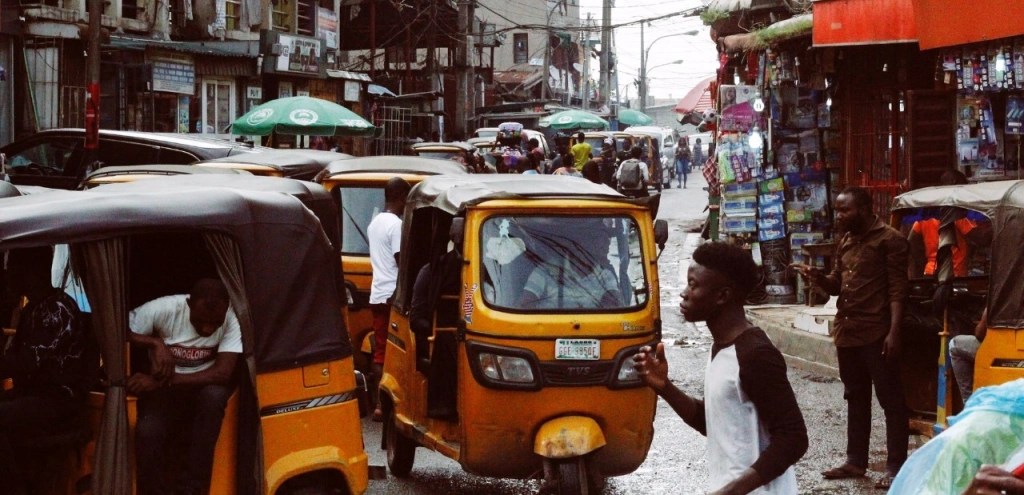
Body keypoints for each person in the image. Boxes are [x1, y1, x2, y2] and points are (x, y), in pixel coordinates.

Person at [634, 242, 808, 494]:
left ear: (722, 296)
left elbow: (793, 438)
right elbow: (716, 425)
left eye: (693, 285)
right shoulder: (722, 347)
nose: (684, 293)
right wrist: (665, 387)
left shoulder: (755, 354)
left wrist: (730, 491)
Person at [793, 186, 910, 490]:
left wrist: (894, 332)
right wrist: (817, 278)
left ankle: (896, 466)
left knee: (891, 401)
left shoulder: (890, 240)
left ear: (865, 208)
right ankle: (855, 460)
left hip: (878, 331)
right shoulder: (846, 241)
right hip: (849, 331)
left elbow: (899, 290)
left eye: (845, 210)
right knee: (855, 396)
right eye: (838, 209)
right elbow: (836, 285)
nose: (840, 215)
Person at [128, 278, 242, 495]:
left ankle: (192, 489)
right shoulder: (164, 308)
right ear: (189, 304)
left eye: (215, 323)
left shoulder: (231, 318)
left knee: (215, 397)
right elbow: (116, 328)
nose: (208, 328)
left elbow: (222, 373)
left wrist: (159, 381)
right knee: (147, 431)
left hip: (197, 387)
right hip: (165, 393)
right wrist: (155, 342)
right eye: (200, 321)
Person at [1, 247, 90, 495]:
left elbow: (26, 363)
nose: (7, 276)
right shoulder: (34, 307)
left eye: (12, 270)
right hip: (33, 395)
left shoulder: (56, 310)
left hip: (57, 400)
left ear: (29, 272)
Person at [367, 177, 411, 420]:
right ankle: (385, 405)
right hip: (392, 295)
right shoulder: (396, 225)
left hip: (377, 293)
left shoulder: (375, 223)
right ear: (402, 197)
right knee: (394, 353)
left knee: (380, 350)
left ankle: (378, 404)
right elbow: (400, 262)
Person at [519, 226, 622, 309]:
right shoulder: (546, 271)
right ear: (579, 243)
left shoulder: (605, 276)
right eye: (599, 239)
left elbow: (614, 306)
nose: (606, 245)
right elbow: (524, 306)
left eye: (607, 239)